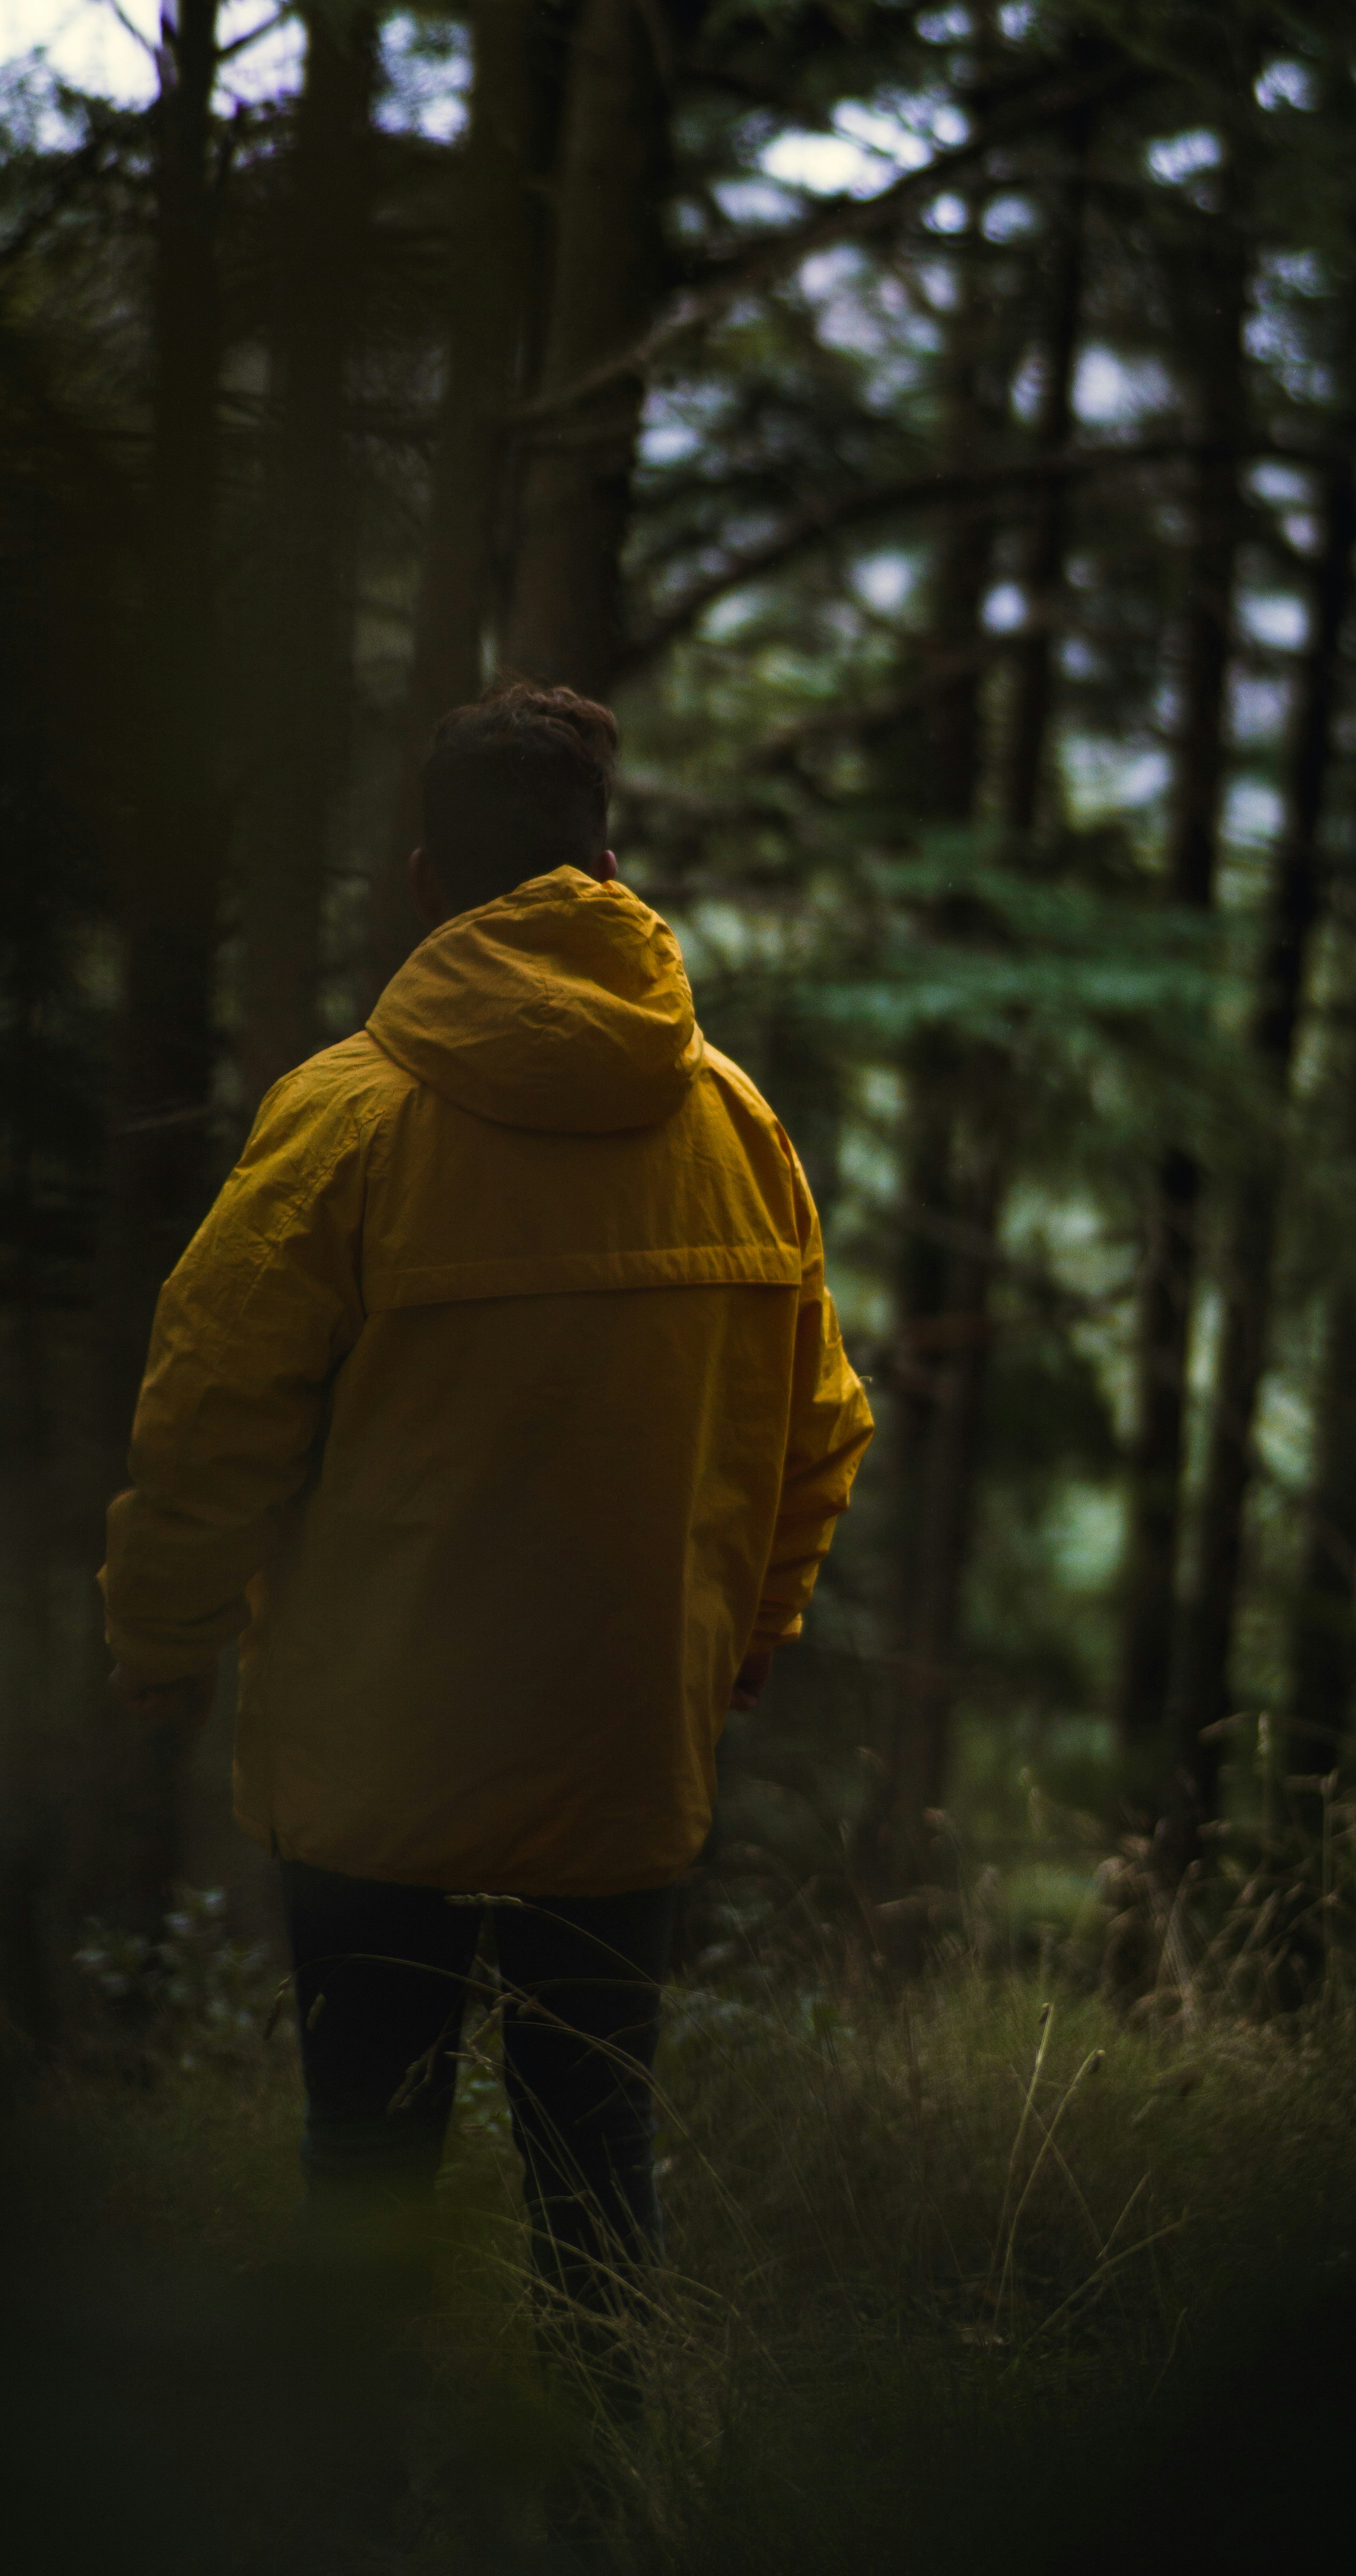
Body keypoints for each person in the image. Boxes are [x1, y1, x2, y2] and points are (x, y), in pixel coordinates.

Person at [100, 682, 872, 2390]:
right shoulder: (735, 1129)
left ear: (426, 876)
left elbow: (206, 1418)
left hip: (382, 1760)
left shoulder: (344, 1120)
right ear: (607, 863)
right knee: (602, 2160)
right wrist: (749, 1636)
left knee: (366, 2167)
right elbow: (820, 1426)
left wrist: (156, 1643)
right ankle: (613, 2556)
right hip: (617, 1751)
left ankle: (355, 2570)